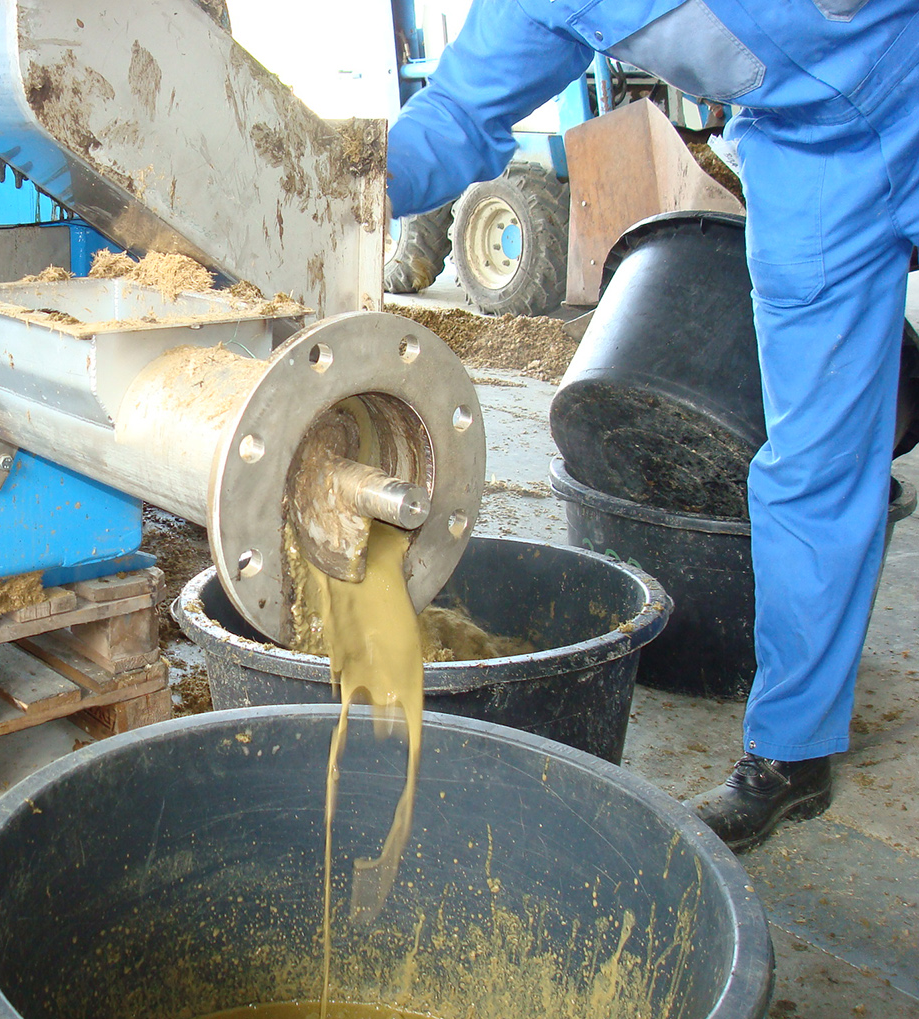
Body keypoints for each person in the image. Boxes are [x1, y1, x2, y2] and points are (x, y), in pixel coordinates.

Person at [387, 0, 919, 851]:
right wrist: (340, 178)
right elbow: (453, 116)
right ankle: (792, 752)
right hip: (812, 158)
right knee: (812, 459)